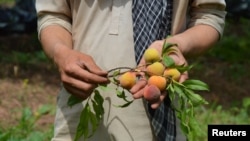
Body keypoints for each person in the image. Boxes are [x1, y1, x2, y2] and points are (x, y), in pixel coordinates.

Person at [35, 0, 226, 141]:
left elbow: (209, 15)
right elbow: (54, 15)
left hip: (160, 103)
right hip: (84, 102)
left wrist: (177, 45)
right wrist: (62, 54)